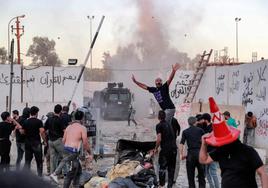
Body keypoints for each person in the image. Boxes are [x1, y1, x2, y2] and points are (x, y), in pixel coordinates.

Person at [199, 97, 268, 188]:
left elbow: (262, 173)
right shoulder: (221, 151)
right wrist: (204, 144)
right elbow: (203, 160)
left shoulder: (248, 151)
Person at [50, 110, 93, 185]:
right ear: (82, 118)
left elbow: (63, 140)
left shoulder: (68, 127)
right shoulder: (82, 128)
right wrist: (89, 153)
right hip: (73, 151)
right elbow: (85, 142)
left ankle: (76, 184)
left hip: (66, 148)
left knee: (77, 168)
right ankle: (55, 174)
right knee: (72, 170)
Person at [179, 116, 206, 188]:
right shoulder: (200, 130)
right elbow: (205, 142)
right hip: (199, 153)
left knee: (190, 176)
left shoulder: (185, 132)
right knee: (201, 175)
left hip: (190, 154)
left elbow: (182, 143)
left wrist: (181, 154)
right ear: (195, 122)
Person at [154, 110, 177, 188]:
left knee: (162, 168)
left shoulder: (159, 125)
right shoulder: (169, 124)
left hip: (165, 150)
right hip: (174, 149)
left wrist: (156, 148)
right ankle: (169, 186)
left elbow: (159, 139)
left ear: (158, 117)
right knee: (171, 168)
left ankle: (161, 185)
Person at [22, 106, 46, 177]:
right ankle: (39, 176)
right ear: (36, 113)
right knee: (39, 161)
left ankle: (27, 176)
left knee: (27, 161)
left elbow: (22, 132)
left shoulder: (26, 121)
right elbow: (42, 131)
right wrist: (45, 141)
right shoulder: (39, 121)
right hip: (36, 143)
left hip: (28, 143)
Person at [44, 104, 66, 174]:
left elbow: (44, 129)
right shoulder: (60, 119)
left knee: (53, 159)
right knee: (65, 157)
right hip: (58, 140)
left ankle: (52, 174)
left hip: (50, 141)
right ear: (61, 111)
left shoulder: (49, 119)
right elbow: (64, 130)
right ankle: (64, 173)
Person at [201, 113, 220, 188]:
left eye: (203, 119)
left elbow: (210, 137)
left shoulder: (212, 127)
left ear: (206, 120)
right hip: (207, 152)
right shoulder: (206, 127)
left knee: (213, 172)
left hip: (213, 152)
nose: (202, 121)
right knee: (207, 172)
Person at [170, 117, 181, 184]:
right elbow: (179, 128)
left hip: (167, 142)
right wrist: (177, 134)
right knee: (175, 162)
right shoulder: (174, 120)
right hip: (174, 141)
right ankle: (174, 178)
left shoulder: (165, 120)